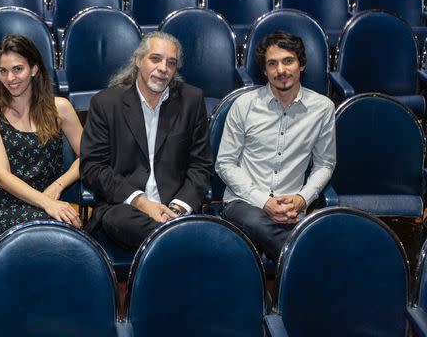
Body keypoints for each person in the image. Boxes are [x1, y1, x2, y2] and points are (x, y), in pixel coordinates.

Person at [80, 31, 212, 249]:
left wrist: (176, 210)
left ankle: (172, 238)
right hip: (127, 207)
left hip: (174, 205)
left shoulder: (191, 100)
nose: (163, 68)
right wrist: (142, 202)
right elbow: (92, 167)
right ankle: (182, 241)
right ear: (138, 60)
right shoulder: (105, 104)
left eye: (171, 63)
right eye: (155, 59)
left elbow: (201, 165)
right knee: (117, 219)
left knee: (183, 228)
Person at [216, 31, 336, 261]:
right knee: (262, 225)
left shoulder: (323, 109)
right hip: (244, 202)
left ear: (302, 65)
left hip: (292, 207)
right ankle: (308, 263)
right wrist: (265, 202)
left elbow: (325, 164)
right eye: (273, 64)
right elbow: (225, 164)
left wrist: (303, 198)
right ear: (264, 71)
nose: (281, 70)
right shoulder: (244, 105)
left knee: (251, 240)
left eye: (288, 61)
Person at [0, 35, 82, 240]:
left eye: (18, 69)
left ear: (33, 69)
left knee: (69, 234)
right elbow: (2, 177)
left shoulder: (60, 108)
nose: (10, 78)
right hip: (4, 205)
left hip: (48, 198)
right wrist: (47, 203)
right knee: (54, 234)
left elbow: (88, 155)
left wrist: (57, 186)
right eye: (3, 71)